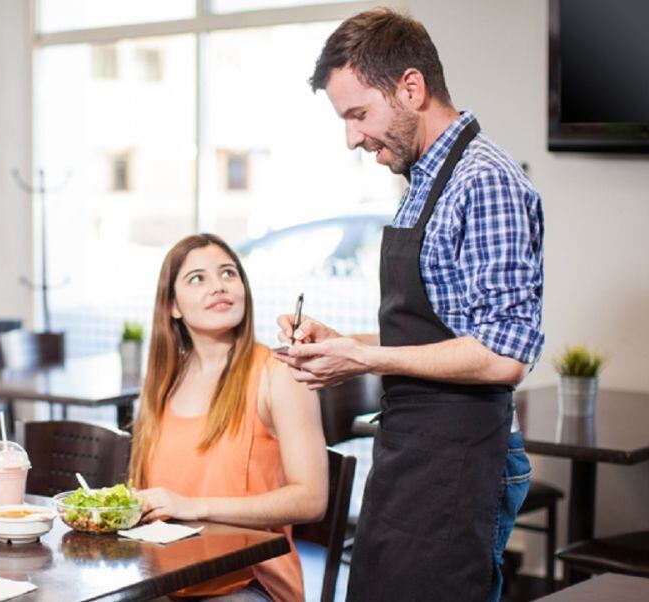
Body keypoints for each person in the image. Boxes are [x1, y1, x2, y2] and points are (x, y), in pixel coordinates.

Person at [275, 8, 544, 602]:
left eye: (358, 114)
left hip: (462, 462)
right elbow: (441, 333)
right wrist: (342, 342)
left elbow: (502, 355)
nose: (352, 137)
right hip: (410, 452)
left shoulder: (485, 181)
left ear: (412, 88)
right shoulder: (424, 180)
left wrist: (363, 360)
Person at [130, 234, 329, 602]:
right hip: (168, 581)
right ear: (173, 306)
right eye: (197, 278)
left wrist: (194, 506)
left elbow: (312, 499)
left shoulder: (278, 374)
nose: (218, 286)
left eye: (228, 273)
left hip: (252, 584)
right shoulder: (163, 385)